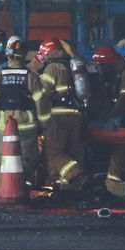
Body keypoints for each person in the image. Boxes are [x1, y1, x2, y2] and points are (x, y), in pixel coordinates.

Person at [0, 40, 49, 191]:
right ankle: (22, 195)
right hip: (27, 129)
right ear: (24, 55)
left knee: (2, 161)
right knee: (25, 162)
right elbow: (41, 103)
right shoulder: (31, 77)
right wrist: (43, 125)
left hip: (5, 128)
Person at [91, 45, 125, 189]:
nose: (98, 70)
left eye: (100, 66)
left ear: (108, 64)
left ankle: (114, 181)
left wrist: (112, 117)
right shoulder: (117, 74)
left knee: (120, 144)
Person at [36, 39, 88, 189]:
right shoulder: (71, 65)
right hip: (76, 115)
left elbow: (43, 94)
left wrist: (41, 119)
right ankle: (69, 190)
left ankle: (80, 176)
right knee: (70, 154)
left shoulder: (52, 68)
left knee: (54, 155)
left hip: (58, 117)